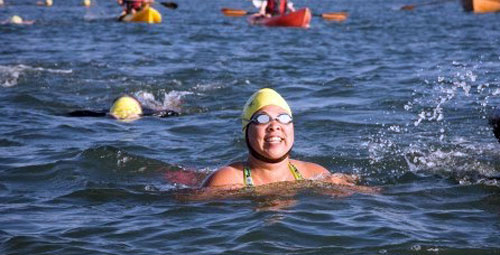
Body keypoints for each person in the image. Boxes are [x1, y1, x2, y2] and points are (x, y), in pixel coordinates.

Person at [203, 88, 362, 188]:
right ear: (246, 131)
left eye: (283, 118)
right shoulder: (226, 180)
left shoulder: (314, 173)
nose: (274, 125)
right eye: (262, 119)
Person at [68, 95, 178, 121]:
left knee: (160, 108)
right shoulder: (106, 111)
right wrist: (106, 115)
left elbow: (171, 113)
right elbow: (74, 113)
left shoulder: (146, 110)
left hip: (139, 108)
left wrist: (140, 115)